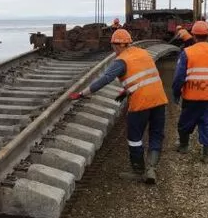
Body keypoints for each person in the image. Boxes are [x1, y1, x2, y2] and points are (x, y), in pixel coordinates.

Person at [69, 29, 168, 184]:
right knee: (156, 134)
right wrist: (126, 90)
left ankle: (139, 171)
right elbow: (144, 77)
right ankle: (151, 168)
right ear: (129, 42)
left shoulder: (121, 60)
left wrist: (82, 93)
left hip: (141, 103)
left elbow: (105, 79)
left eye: (113, 46)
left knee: (134, 138)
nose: (113, 50)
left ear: (117, 45)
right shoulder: (143, 53)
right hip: (160, 100)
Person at [171, 21, 208, 163]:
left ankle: (183, 146)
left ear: (194, 35)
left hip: (191, 97)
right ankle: (207, 154)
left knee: (185, 122)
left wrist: (176, 93)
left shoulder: (187, 53)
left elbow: (179, 77)